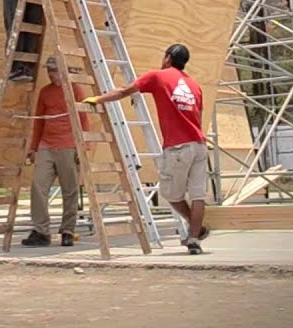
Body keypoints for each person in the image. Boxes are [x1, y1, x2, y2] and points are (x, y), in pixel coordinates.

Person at [84, 44, 210, 254]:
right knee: (198, 195)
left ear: (168, 58)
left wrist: (98, 99)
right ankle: (195, 237)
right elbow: (198, 115)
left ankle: (192, 224)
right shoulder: (194, 85)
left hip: (178, 148)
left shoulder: (158, 76)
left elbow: (123, 91)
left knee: (170, 193)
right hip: (199, 145)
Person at [22, 57, 89, 248]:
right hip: (47, 145)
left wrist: (82, 147)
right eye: (49, 71)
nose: (51, 74)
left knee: (70, 190)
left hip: (68, 144)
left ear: (64, 71)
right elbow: (38, 121)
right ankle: (41, 231)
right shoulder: (45, 92)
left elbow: (83, 118)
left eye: (55, 70)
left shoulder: (75, 90)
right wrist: (34, 147)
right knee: (38, 186)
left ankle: (68, 230)